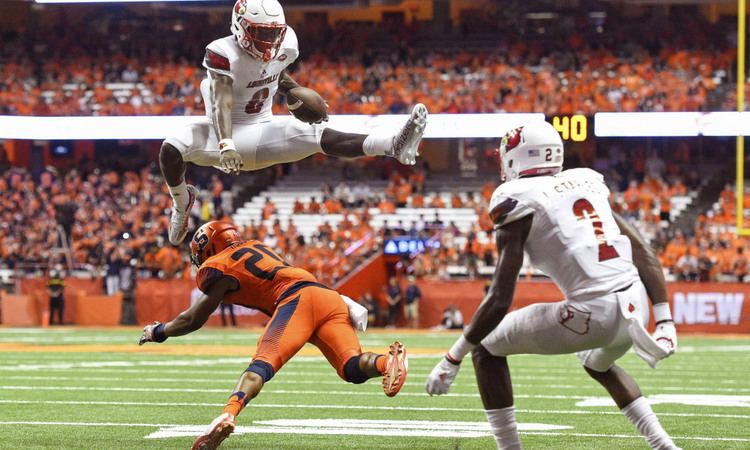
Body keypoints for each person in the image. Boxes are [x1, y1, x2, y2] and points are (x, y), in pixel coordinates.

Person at [425, 122, 680, 450]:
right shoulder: (586, 182)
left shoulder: (516, 197)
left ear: (516, 158)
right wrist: (664, 318)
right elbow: (642, 249)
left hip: (593, 312)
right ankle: (664, 445)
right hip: (636, 307)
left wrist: (452, 357)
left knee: (485, 348)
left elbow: (501, 297)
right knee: (596, 362)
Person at [160, 0, 428, 245]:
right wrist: (226, 143)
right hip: (221, 135)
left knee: (319, 134)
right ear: (241, 28)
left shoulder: (286, 43)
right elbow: (222, 102)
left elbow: (275, 75)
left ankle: (395, 144)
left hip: (264, 129)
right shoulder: (222, 52)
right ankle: (182, 202)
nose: (271, 41)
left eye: (274, 33)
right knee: (171, 149)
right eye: (263, 34)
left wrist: (301, 95)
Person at [140, 221, 407, 450]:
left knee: (261, 365)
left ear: (208, 247)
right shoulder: (256, 246)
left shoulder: (219, 266)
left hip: (296, 301)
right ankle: (388, 363)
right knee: (351, 367)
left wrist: (159, 331)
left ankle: (227, 415)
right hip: (328, 296)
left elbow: (193, 318)